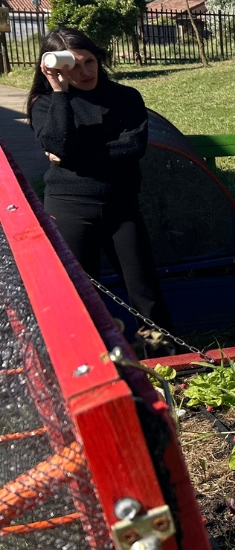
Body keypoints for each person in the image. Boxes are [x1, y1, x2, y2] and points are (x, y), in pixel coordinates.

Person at [28, 27, 173, 348]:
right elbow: (56, 141)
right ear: (57, 69)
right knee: (80, 295)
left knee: (145, 293)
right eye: (74, 66)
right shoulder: (46, 104)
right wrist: (60, 92)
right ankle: (94, 365)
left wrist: (72, 156)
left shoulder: (126, 97)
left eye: (89, 61)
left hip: (122, 207)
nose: (84, 71)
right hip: (69, 209)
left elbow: (132, 147)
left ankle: (166, 363)